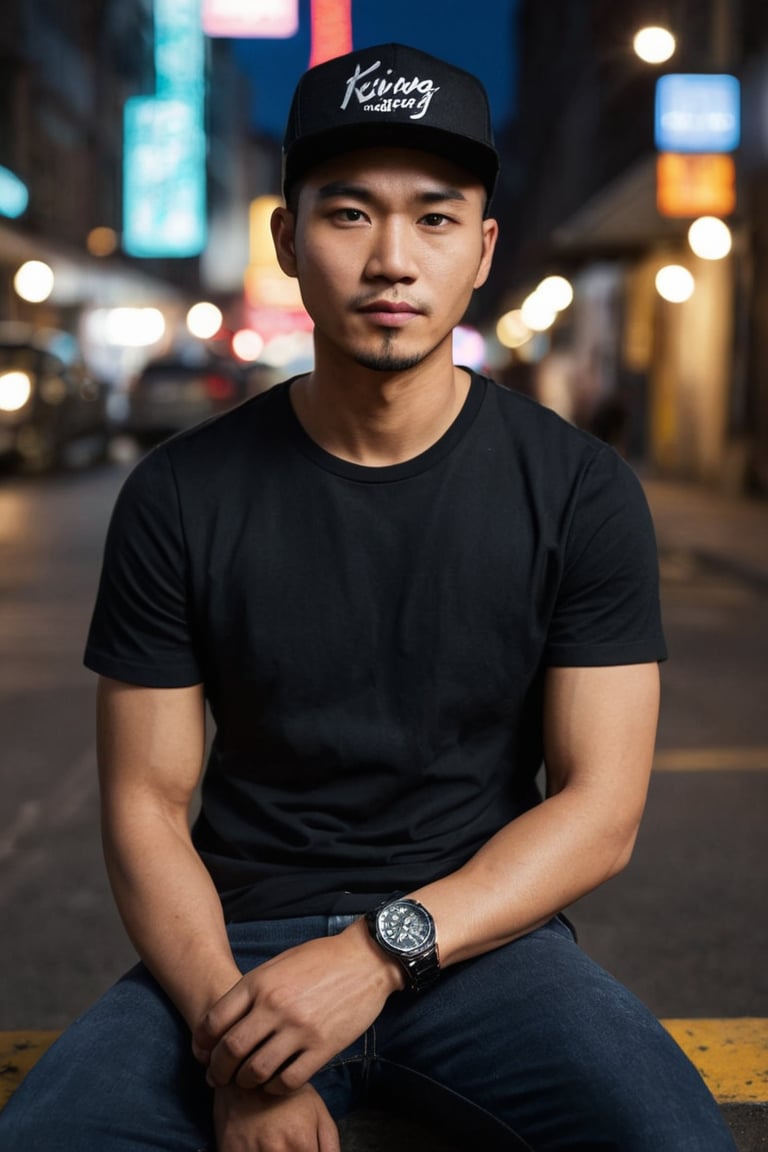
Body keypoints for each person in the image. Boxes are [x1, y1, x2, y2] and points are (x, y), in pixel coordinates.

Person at [0, 42, 736, 1152]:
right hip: (233, 943)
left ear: (483, 249)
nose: (393, 258)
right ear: (288, 241)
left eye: (435, 218)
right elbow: (147, 806)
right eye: (349, 215)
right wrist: (235, 1041)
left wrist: (370, 957)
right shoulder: (179, 493)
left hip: (483, 943)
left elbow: (602, 810)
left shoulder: (579, 489)